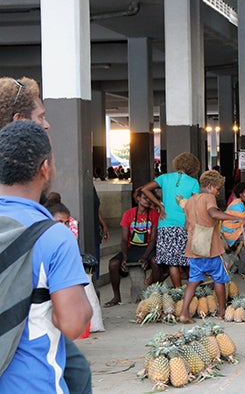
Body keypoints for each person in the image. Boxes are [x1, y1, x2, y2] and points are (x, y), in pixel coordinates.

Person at [0, 76, 91, 394]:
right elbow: (73, 322)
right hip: (34, 382)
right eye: (41, 117)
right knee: (78, 375)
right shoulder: (52, 236)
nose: (48, 125)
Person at [180, 171, 241, 323]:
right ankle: (221, 311)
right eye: (218, 189)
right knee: (219, 279)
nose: (218, 192)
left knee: (193, 281)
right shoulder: (209, 197)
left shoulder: (190, 201)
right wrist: (236, 218)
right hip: (211, 247)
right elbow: (213, 213)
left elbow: (186, 224)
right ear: (210, 186)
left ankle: (184, 312)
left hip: (194, 247)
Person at [141, 152, 201, 288]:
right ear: (193, 168)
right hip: (184, 224)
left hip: (165, 223)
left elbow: (145, 189)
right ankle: (191, 291)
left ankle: (178, 290)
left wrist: (159, 205)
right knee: (190, 259)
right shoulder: (193, 182)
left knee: (172, 263)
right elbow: (195, 205)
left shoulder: (164, 178)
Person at [104, 188, 161, 307]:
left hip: (148, 248)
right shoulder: (128, 214)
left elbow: (153, 239)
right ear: (138, 198)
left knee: (156, 262)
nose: (147, 201)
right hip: (132, 248)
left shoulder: (154, 214)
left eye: (150, 199)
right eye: (145, 198)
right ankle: (116, 297)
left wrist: (145, 257)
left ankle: (154, 294)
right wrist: (124, 257)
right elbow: (124, 239)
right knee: (113, 263)